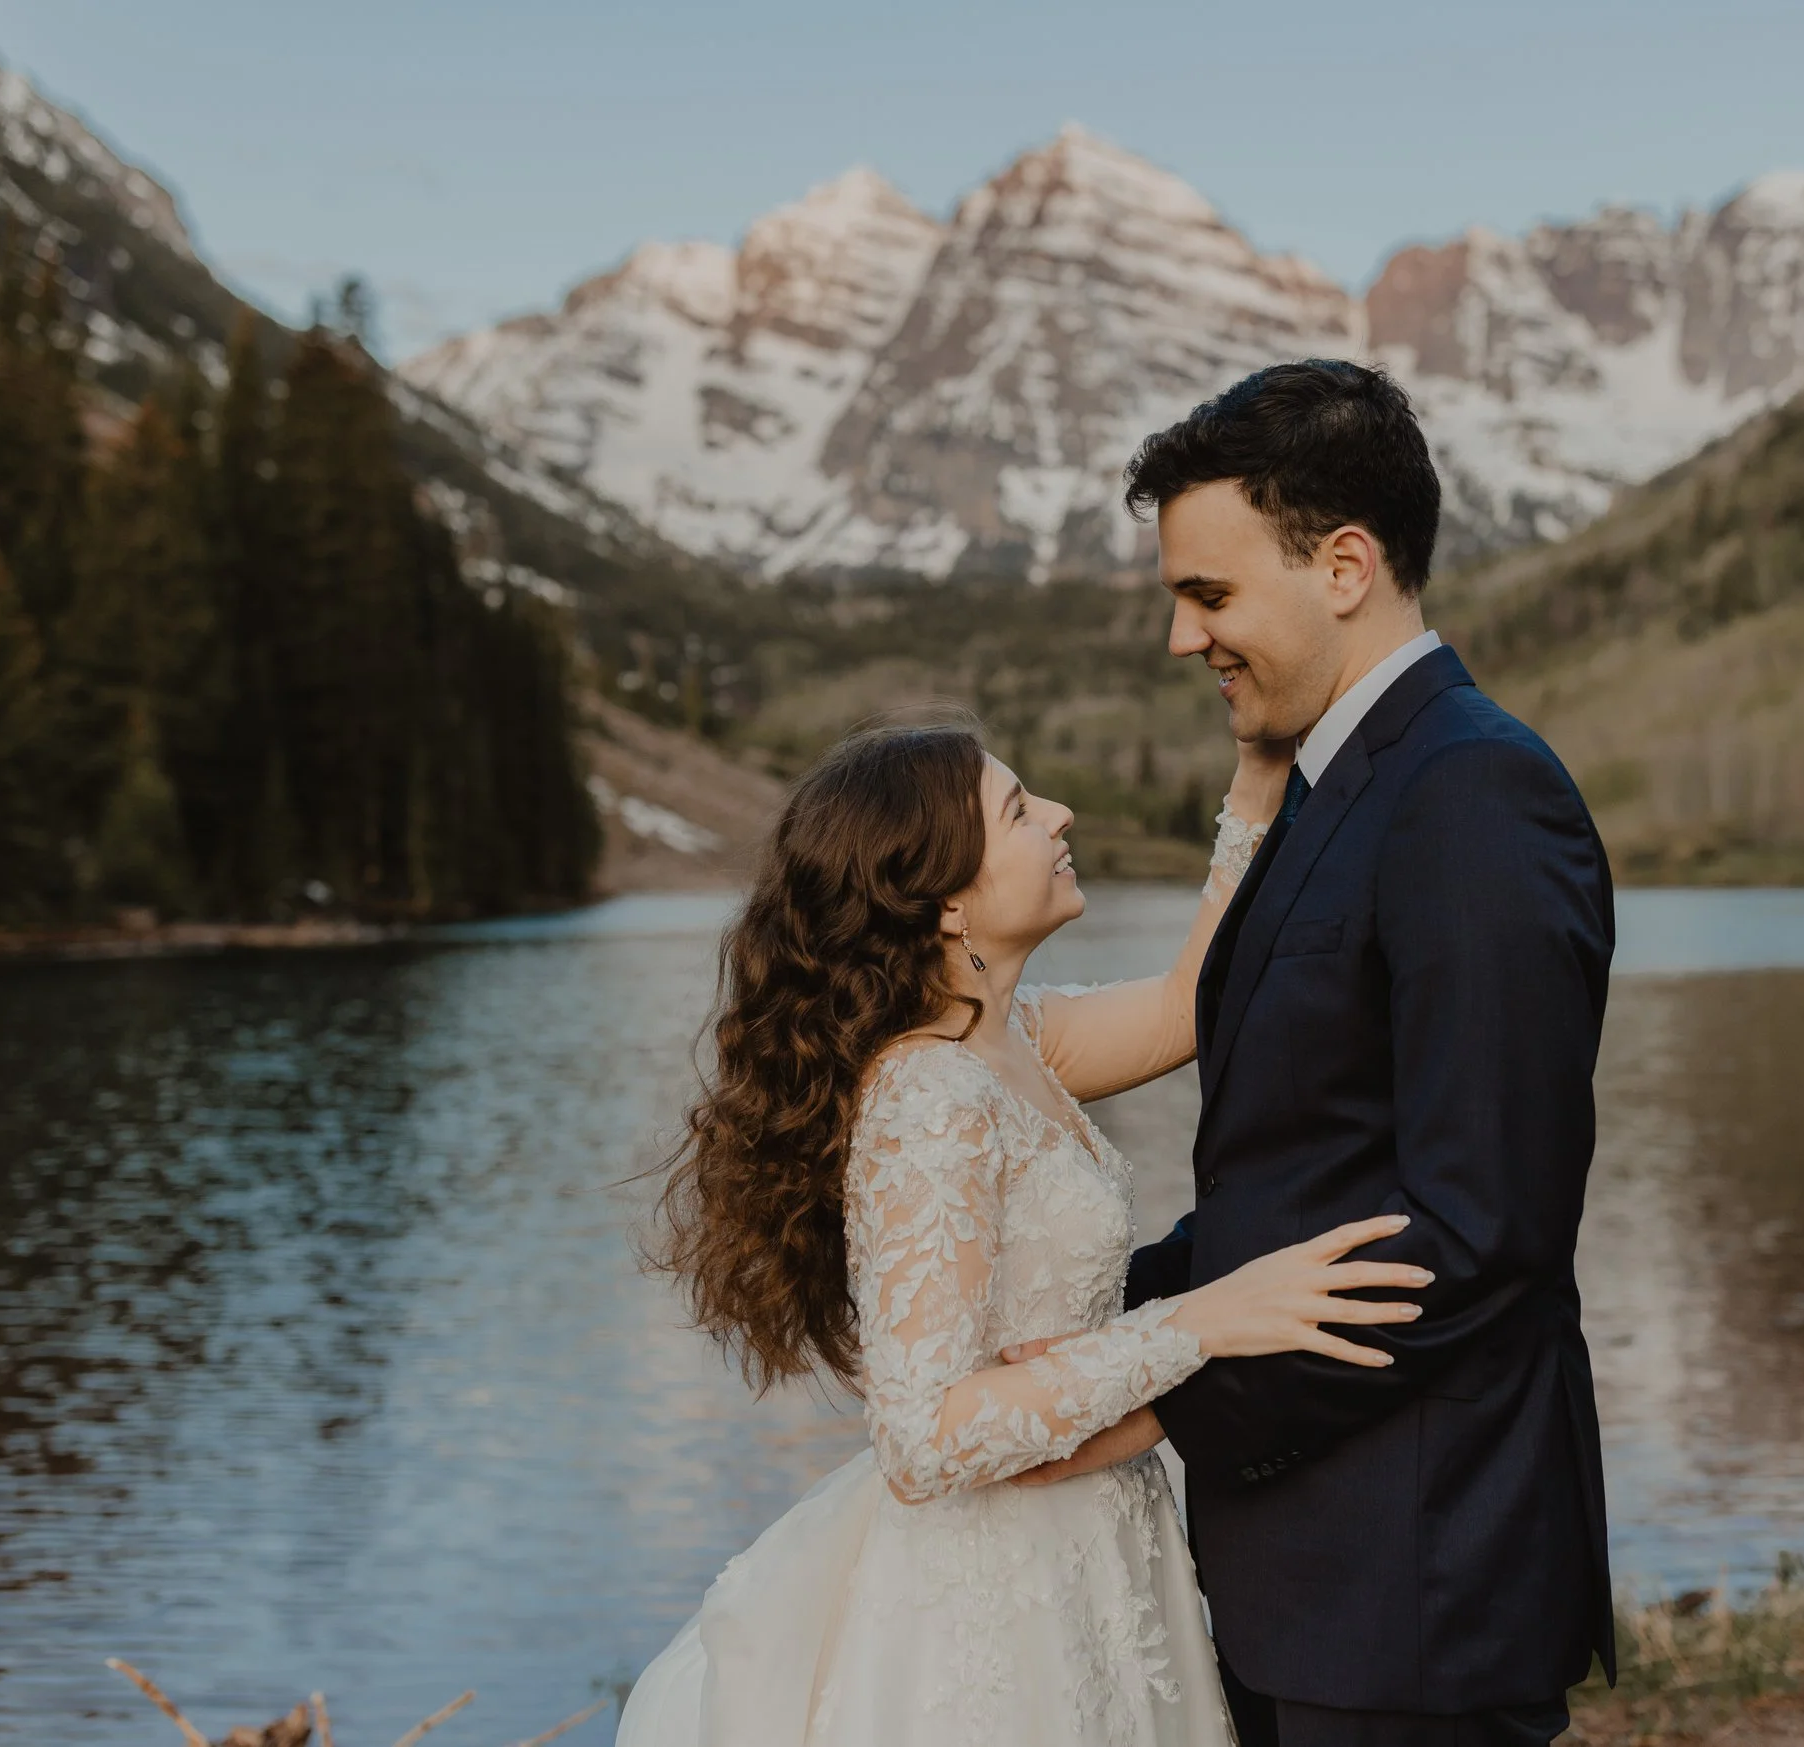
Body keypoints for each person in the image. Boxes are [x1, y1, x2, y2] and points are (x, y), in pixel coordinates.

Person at [615, 715, 1431, 1747]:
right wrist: (1200, 1323)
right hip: (999, 1586)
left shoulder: (1012, 1039)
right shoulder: (928, 1092)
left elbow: (1191, 1002)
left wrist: (1256, 782)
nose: (1059, 814)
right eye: (1016, 807)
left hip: (1097, 1533)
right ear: (946, 897)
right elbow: (921, 1437)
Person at [1014, 360, 1618, 1746]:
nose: (1183, 638)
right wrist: (1076, 1322)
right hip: (1318, 1572)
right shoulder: (1337, 784)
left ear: (1345, 564)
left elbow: (1480, 1227)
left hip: (1415, 1575)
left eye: (1208, 594)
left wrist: (1167, 1393)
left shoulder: (1471, 791)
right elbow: (1302, 1173)